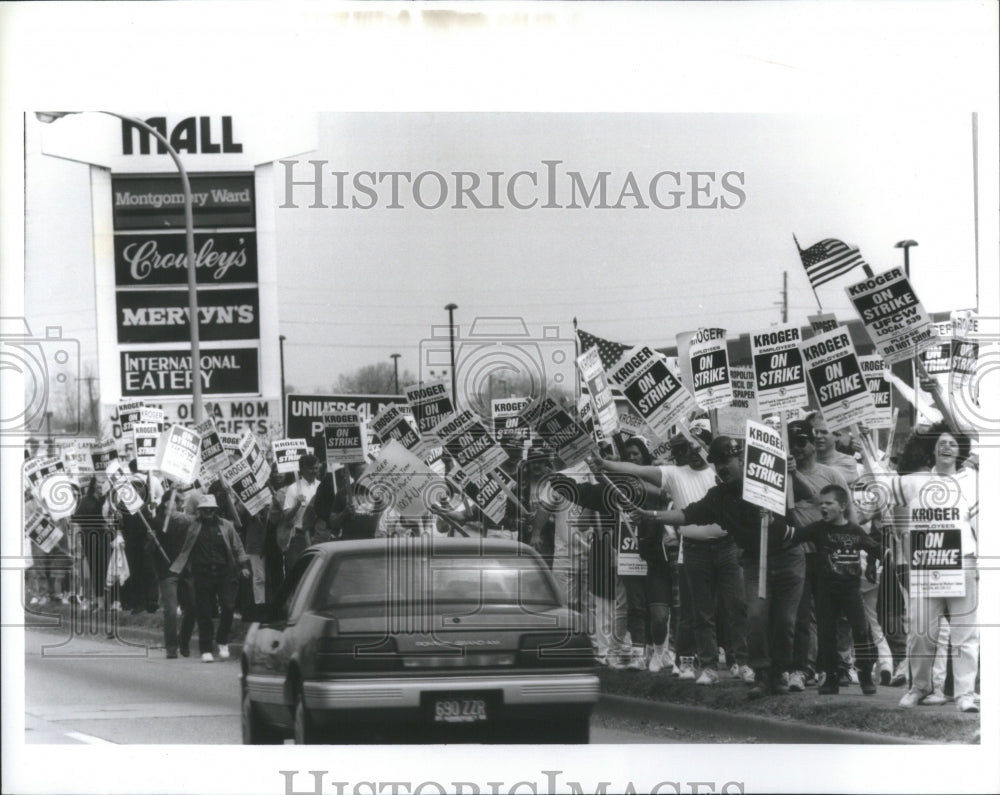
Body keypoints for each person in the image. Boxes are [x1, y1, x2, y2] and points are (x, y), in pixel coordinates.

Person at [637, 436, 804, 698]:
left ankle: (779, 671)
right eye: (716, 463)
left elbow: (804, 500)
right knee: (757, 615)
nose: (722, 467)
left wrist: (790, 478)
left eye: (727, 460)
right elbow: (686, 515)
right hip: (753, 560)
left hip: (786, 557)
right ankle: (762, 673)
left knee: (784, 621)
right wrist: (653, 516)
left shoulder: (768, 481)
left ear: (741, 459)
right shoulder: (720, 496)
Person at [597, 429, 751, 684]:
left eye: (692, 448)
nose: (688, 454)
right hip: (693, 548)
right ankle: (709, 666)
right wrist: (606, 464)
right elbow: (637, 470)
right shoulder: (673, 474)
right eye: (682, 450)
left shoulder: (719, 473)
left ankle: (742, 662)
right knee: (702, 612)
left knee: (736, 606)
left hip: (727, 546)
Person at [886, 424, 979, 712]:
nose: (947, 446)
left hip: (963, 562)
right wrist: (868, 453)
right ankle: (919, 687)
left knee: (965, 632)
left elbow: (982, 524)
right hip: (926, 564)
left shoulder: (972, 480)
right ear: (933, 448)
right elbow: (877, 492)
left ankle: (965, 693)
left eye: (952, 442)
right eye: (941, 442)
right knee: (920, 632)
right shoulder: (915, 482)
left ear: (960, 450)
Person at [783, 485, 880, 695]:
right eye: (821, 504)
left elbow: (875, 548)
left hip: (851, 591)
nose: (823, 508)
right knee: (826, 634)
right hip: (825, 591)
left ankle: (865, 675)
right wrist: (773, 520)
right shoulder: (818, 529)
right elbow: (793, 535)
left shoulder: (855, 530)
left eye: (829, 503)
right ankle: (831, 678)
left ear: (842, 506)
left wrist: (872, 564)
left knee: (861, 631)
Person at [786, 419, 850, 692]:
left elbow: (846, 511)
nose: (797, 449)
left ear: (813, 444)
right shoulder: (782, 476)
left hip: (828, 553)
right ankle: (802, 668)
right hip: (797, 554)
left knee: (830, 614)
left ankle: (833, 667)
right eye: (792, 444)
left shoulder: (831, 475)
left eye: (802, 443)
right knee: (801, 616)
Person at [168, 494, 251, 662]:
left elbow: (238, 546)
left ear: (215, 510)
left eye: (210, 510)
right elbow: (174, 516)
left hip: (224, 572)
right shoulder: (192, 524)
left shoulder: (227, 526)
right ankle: (205, 648)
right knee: (204, 611)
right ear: (199, 511)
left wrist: (244, 565)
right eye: (204, 510)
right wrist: (172, 494)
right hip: (201, 572)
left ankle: (222, 640)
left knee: (228, 606)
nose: (207, 513)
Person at [281, 454, 320, 570]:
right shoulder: (293, 489)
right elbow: (286, 517)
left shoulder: (321, 486)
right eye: (310, 468)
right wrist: (297, 505)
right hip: (299, 537)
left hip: (317, 536)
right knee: (298, 574)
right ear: (302, 469)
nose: (314, 471)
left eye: (316, 468)